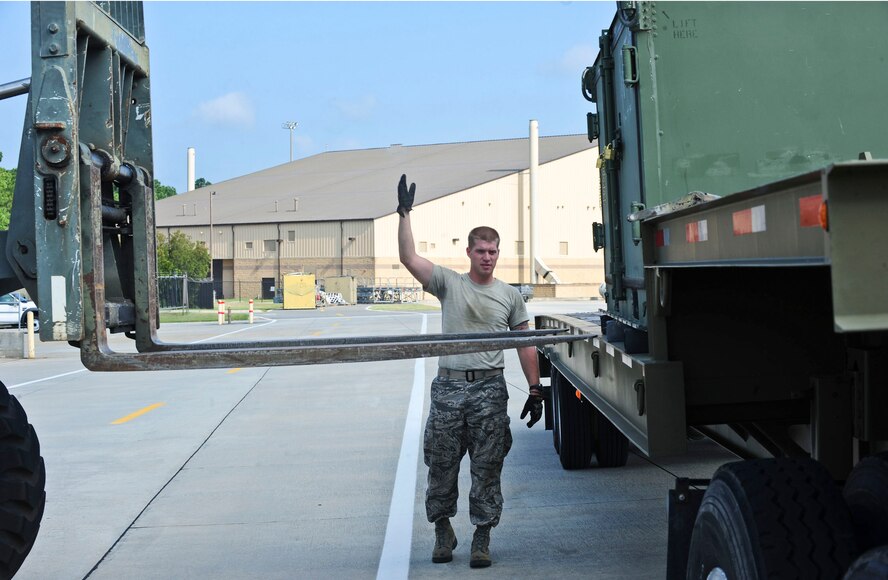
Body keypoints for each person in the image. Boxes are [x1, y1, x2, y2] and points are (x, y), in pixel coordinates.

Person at [396, 174, 543, 568]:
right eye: (481, 251)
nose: (487, 257)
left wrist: (535, 388)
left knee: (487, 467)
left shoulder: (510, 295)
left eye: (493, 251)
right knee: (440, 467)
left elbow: (525, 343)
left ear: (498, 254)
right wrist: (404, 215)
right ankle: (443, 530)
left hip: (489, 393)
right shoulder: (449, 283)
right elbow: (409, 259)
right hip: (448, 390)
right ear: (469, 252)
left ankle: (482, 537)